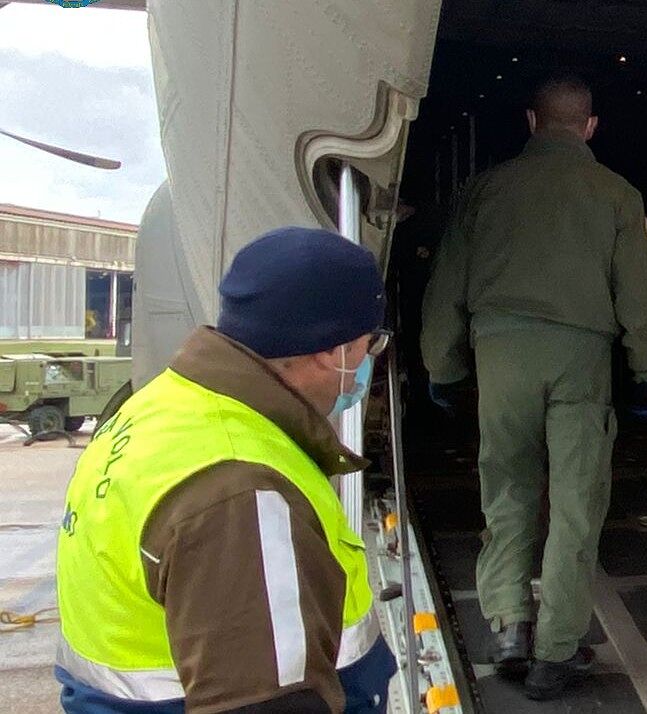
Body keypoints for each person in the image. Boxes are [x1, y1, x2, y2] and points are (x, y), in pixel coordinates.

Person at [55, 227, 397, 714]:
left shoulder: (158, 408)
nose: (368, 363)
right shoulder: (241, 493)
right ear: (333, 351)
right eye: (370, 344)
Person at [421, 73, 647, 701]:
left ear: (532, 121)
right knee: (576, 502)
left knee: (506, 489)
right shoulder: (619, 195)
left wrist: (442, 367)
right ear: (590, 127)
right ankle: (557, 651)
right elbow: (639, 293)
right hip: (579, 357)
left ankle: (509, 626)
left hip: (500, 352)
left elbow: (446, 284)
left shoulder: (484, 190)